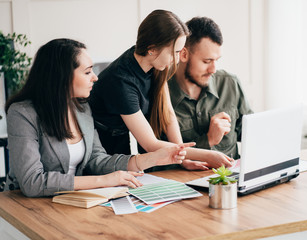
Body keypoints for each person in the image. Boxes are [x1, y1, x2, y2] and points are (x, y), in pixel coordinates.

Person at [4, 38, 195, 197]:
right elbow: (32, 182)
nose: (95, 77)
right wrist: (102, 181)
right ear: (62, 77)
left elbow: (97, 159)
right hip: (23, 208)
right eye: (87, 72)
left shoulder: (82, 108)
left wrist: (151, 159)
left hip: (70, 201)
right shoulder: (22, 114)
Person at [89, 10, 233, 170]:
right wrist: (208, 154)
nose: (178, 59)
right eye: (175, 52)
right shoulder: (121, 82)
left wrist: (182, 158)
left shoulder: (157, 62)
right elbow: (150, 144)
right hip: (101, 148)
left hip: (120, 140)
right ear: (152, 49)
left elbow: (167, 113)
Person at [168, 17, 253, 159]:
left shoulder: (229, 83)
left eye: (216, 61)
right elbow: (154, 165)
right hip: (182, 180)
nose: (213, 69)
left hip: (232, 179)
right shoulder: (160, 95)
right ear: (183, 54)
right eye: (207, 61)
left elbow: (252, 135)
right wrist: (208, 141)